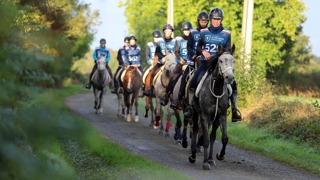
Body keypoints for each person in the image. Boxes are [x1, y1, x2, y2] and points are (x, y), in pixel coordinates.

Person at [186, 8, 242, 122]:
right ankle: (191, 108)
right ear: (210, 20)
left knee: (233, 85)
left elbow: (227, 49)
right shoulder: (204, 32)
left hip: (220, 64)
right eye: (214, 19)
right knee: (194, 81)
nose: (216, 21)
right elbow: (197, 47)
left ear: (221, 20)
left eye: (218, 19)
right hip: (206, 62)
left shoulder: (226, 33)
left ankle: (235, 110)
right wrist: (203, 51)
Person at [159, 21, 193, 106]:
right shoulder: (178, 39)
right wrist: (180, 59)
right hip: (181, 62)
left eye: (188, 30)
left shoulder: (194, 39)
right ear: (182, 31)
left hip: (191, 62)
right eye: (185, 30)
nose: (187, 31)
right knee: (174, 76)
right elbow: (176, 51)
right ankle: (166, 95)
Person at [143, 24, 177, 97]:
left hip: (171, 63)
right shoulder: (160, 41)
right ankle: (150, 89)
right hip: (161, 63)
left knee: (177, 74)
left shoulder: (175, 41)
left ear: (171, 32)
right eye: (166, 31)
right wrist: (162, 58)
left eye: (169, 31)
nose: (168, 33)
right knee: (152, 72)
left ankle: (176, 92)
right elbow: (157, 52)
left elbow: (176, 52)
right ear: (164, 32)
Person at [139, 30, 163, 97]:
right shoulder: (149, 44)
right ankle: (142, 88)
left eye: (158, 38)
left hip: (160, 63)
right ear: (153, 38)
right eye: (156, 38)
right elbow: (147, 55)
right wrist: (151, 61)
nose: (157, 39)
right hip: (151, 63)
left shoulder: (162, 44)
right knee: (144, 72)